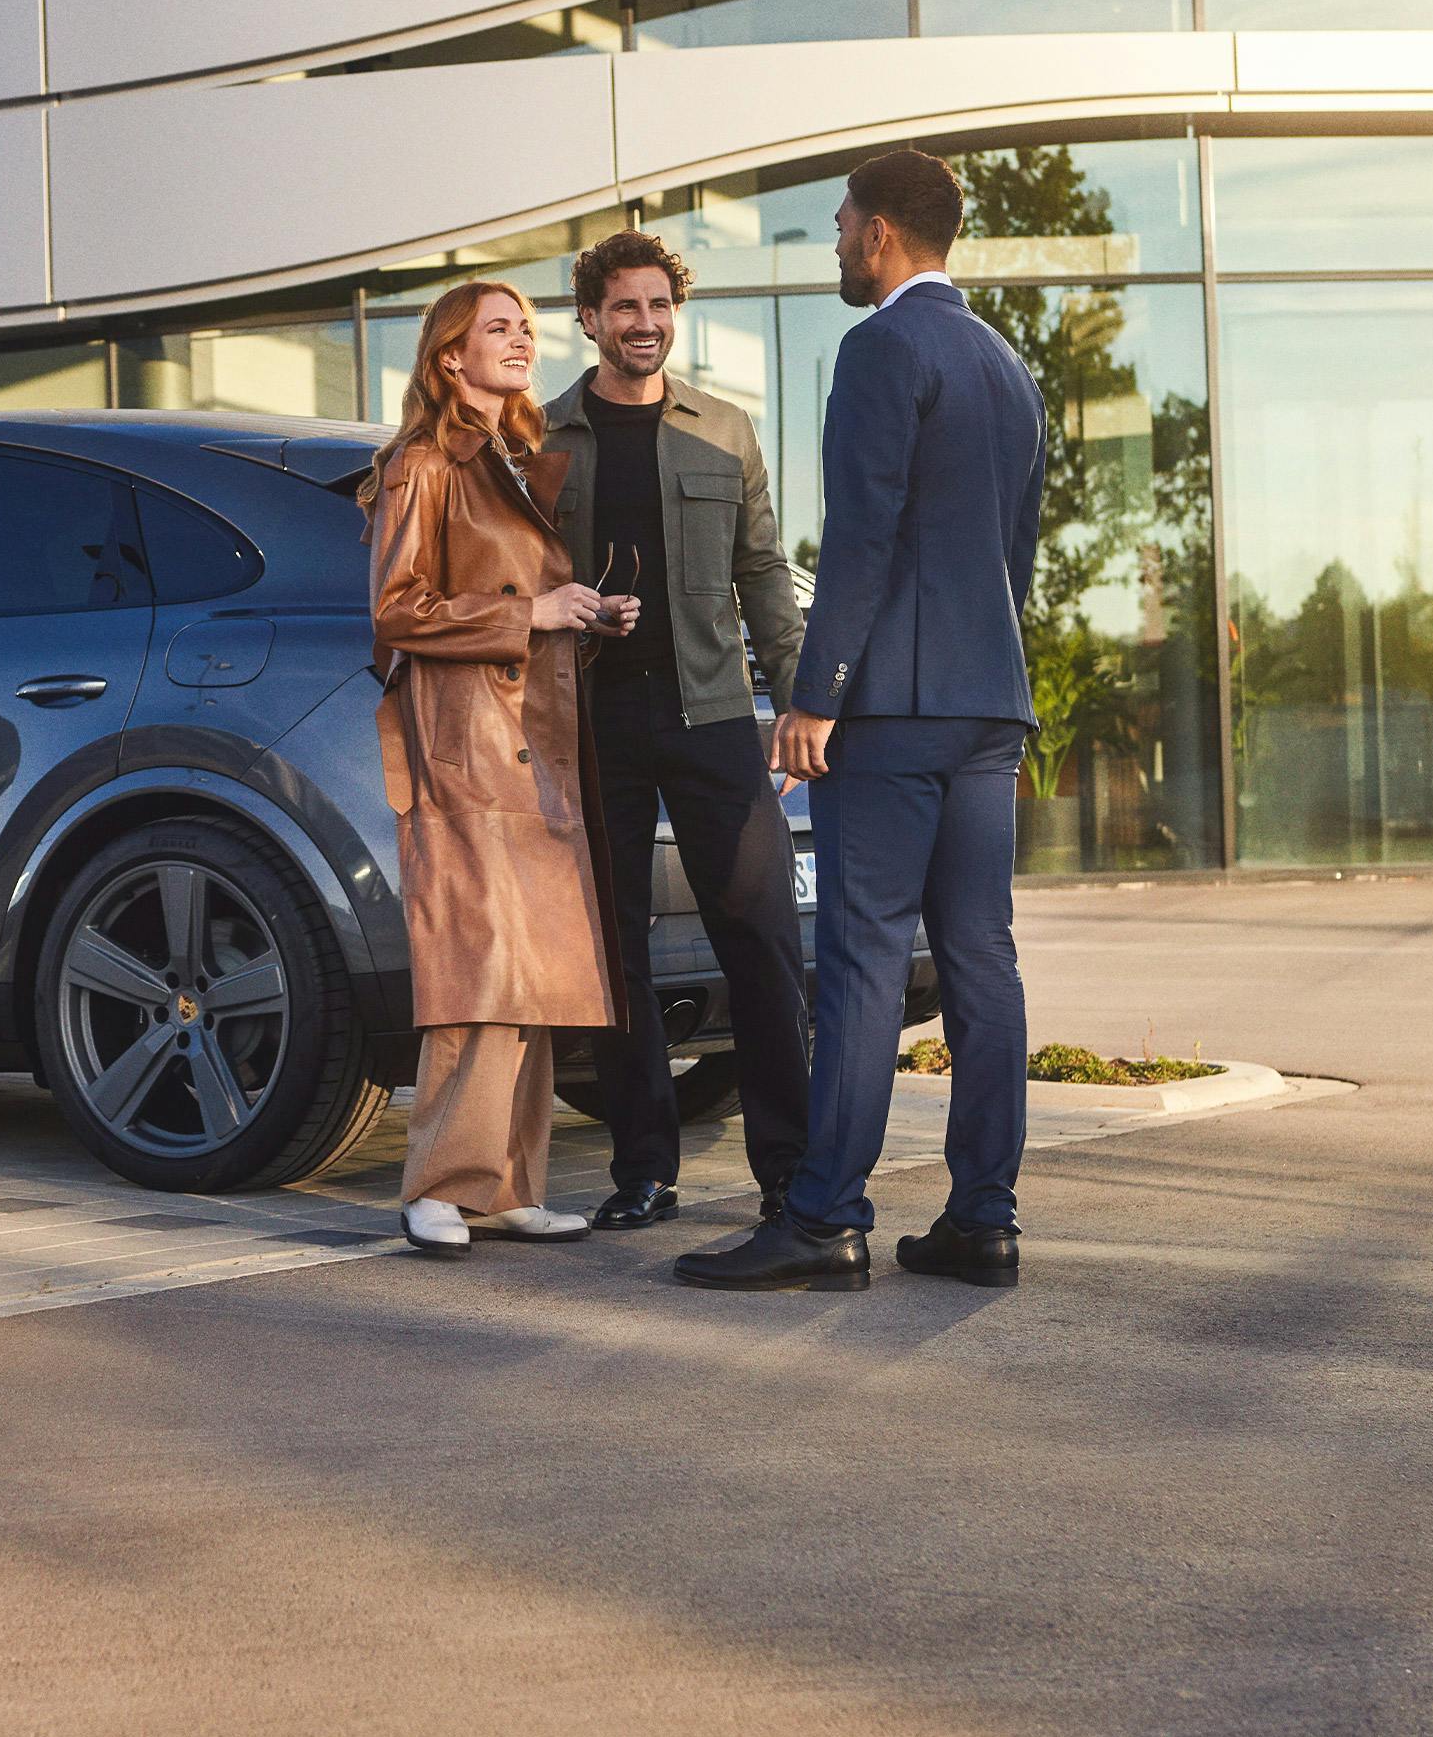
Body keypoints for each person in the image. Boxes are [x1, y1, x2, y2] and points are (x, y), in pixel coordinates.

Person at [675, 148, 1045, 1295]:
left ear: (881, 234)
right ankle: (984, 1219)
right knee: (982, 959)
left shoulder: (880, 346)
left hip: (888, 712)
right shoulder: (1007, 364)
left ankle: (826, 1216)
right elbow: (1012, 555)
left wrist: (814, 694)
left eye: (839, 226)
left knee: (861, 960)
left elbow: (865, 532)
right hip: (989, 704)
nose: (834, 243)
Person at [535, 231, 812, 1233]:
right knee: (614, 953)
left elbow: (764, 575)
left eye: (659, 307)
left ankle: (789, 1168)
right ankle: (643, 1168)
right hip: (595, 721)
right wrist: (566, 604)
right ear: (591, 319)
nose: (644, 325)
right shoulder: (544, 439)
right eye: (625, 309)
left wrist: (798, 697)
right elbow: (515, 577)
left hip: (714, 719)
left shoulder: (725, 432)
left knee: (764, 940)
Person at [361, 278, 639, 1257]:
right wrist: (532, 613)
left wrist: (589, 613)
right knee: (477, 971)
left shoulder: (516, 462)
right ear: (449, 357)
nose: (521, 340)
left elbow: (532, 602)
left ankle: (510, 1186)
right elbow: (397, 610)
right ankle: (438, 1185)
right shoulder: (424, 464)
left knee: (537, 976)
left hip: (537, 745)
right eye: (497, 328)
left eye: (526, 327)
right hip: (464, 749)